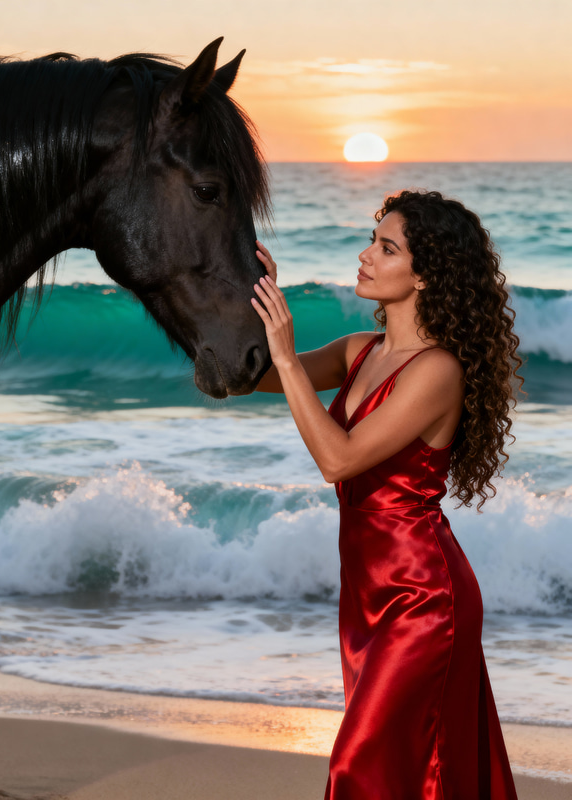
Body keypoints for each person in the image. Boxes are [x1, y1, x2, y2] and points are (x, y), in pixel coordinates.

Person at [251, 190, 521, 799]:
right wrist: (248, 292)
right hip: (365, 595)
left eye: (387, 248)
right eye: (373, 242)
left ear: (425, 275)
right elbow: (246, 377)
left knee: (360, 766)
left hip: (422, 599)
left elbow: (338, 459)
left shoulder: (437, 370)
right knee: (404, 773)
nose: (366, 256)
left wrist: (288, 357)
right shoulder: (359, 350)